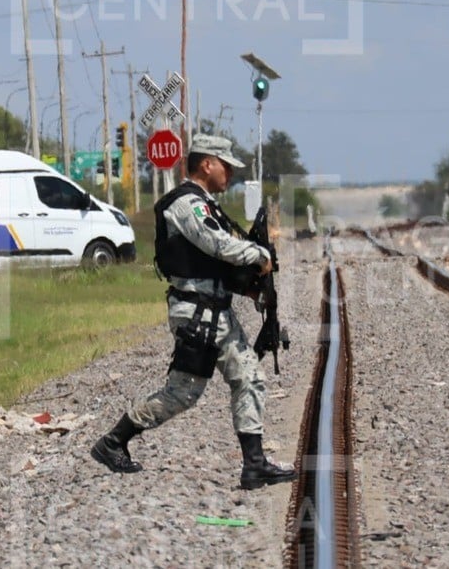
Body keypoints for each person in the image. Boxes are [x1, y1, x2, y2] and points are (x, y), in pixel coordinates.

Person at [90, 134, 296, 490]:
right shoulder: (187, 205)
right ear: (207, 164)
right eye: (226, 166)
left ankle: (255, 465)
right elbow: (218, 245)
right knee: (183, 393)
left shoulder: (207, 204)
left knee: (249, 377)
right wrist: (259, 255)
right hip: (197, 313)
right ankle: (113, 441)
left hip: (217, 311)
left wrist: (247, 286)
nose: (230, 173)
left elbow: (210, 263)